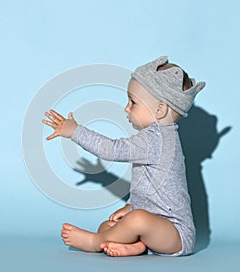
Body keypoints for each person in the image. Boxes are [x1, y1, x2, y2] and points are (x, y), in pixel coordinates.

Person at [42, 56, 205, 257]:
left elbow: (111, 150)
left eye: (133, 102)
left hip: (176, 234)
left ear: (160, 109)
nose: (126, 108)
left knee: (136, 221)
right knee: (109, 225)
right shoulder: (157, 137)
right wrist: (131, 205)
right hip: (155, 228)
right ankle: (137, 247)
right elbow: (152, 188)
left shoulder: (158, 140)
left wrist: (75, 131)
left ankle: (94, 241)